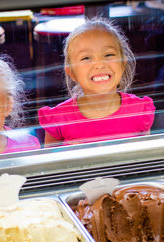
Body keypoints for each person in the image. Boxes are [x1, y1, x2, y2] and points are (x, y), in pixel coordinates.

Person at [38, 17, 156, 147]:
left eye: (109, 55)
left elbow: (146, 161)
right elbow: (51, 163)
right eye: (86, 58)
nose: (99, 64)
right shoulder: (59, 119)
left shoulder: (139, 111)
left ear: (123, 64)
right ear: (71, 73)